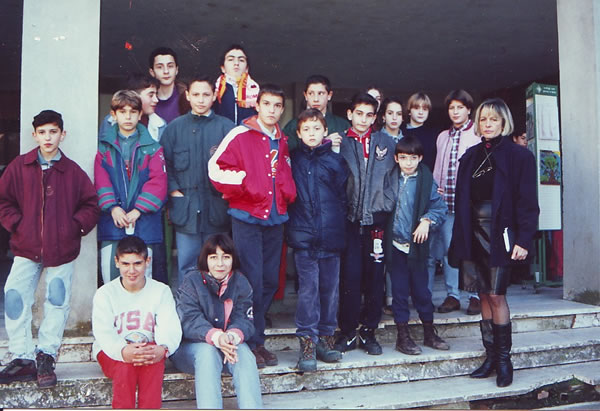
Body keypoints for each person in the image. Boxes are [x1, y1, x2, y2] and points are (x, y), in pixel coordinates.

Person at [0, 110, 99, 387]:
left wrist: (73, 227)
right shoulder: (19, 167)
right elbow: (3, 201)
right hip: (25, 246)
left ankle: (46, 355)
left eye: (53, 132)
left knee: (56, 301)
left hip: (61, 249)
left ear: (62, 135)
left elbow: (90, 205)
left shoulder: (72, 172)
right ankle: (22, 357)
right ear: (34, 135)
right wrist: (17, 224)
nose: (48, 137)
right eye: (42, 132)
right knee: (15, 297)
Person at [449, 98, 539, 387]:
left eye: (494, 120)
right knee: (483, 294)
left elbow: (528, 203)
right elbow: (461, 199)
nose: (488, 124)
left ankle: (504, 361)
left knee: (497, 295)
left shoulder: (520, 156)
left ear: (504, 123)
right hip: (472, 231)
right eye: (484, 119)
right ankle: (489, 357)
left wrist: (524, 238)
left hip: (501, 234)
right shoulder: (470, 155)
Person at [208, 84, 297, 368]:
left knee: (271, 280)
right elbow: (215, 168)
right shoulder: (240, 133)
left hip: (275, 219)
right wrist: (247, 183)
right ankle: (252, 342)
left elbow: (283, 174)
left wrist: (286, 193)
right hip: (247, 217)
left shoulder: (282, 140)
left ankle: (255, 336)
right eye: (266, 104)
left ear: (282, 110)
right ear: (257, 105)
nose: (271, 110)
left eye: (277, 105)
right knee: (251, 282)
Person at [287, 109, 348, 371]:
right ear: (299, 134)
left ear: (325, 132)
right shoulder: (293, 160)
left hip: (331, 237)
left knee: (330, 291)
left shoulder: (336, 162)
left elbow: (343, 197)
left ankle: (325, 338)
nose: (312, 134)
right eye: (306, 130)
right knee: (308, 292)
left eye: (316, 129)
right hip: (304, 239)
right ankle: (307, 343)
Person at [171, 234, 263, 409]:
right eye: (213, 257)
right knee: (208, 352)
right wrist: (216, 336)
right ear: (205, 259)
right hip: (191, 349)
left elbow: (245, 319)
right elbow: (189, 320)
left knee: (244, 354)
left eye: (226, 257)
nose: (220, 264)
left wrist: (231, 337)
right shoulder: (191, 281)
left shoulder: (241, 283)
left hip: (228, 347)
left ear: (233, 259)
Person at [160, 75, 235, 285]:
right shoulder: (174, 128)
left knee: (218, 265)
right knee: (186, 265)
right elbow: (164, 164)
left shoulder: (226, 128)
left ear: (213, 97)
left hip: (216, 210)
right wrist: (174, 191)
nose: (201, 100)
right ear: (187, 96)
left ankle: (217, 312)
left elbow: (237, 165)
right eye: (196, 95)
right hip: (186, 210)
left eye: (206, 95)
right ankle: (188, 312)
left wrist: (225, 192)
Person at [92, 235, 181, 409]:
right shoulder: (105, 293)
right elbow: (103, 333)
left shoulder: (161, 291)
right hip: (113, 351)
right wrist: (123, 350)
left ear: (147, 261)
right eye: (125, 264)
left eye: (137, 263)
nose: (131, 270)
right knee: (125, 368)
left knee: (153, 365)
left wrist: (162, 349)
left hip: (149, 350)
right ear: (116, 262)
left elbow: (170, 326)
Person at [334, 92, 393, 356]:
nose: (364, 119)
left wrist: (385, 203)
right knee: (350, 277)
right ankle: (347, 331)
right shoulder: (339, 142)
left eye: (369, 115)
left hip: (376, 220)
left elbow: (395, 176)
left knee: (374, 279)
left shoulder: (385, 142)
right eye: (359, 113)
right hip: (348, 220)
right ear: (349, 114)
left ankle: (369, 331)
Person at [382, 136, 449, 355]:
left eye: (413, 158)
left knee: (422, 292)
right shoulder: (390, 179)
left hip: (417, 248)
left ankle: (429, 332)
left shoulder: (426, 181)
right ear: (396, 158)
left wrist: (427, 220)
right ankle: (403, 337)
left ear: (420, 158)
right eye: (403, 158)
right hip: (395, 245)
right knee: (399, 293)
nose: (408, 163)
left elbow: (440, 208)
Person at [95, 90, 167, 285]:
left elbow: (158, 182)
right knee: (111, 275)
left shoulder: (153, 147)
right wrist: (113, 207)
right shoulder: (103, 147)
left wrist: (138, 210)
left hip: (144, 221)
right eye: (122, 111)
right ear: (113, 114)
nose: (128, 117)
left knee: (144, 277)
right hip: (113, 221)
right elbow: (101, 180)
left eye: (133, 111)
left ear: (140, 114)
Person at [431, 90, 481, 315]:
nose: (455, 112)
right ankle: (452, 295)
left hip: (469, 205)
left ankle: (475, 295)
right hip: (446, 204)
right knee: (449, 250)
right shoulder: (443, 136)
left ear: (468, 109)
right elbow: (437, 169)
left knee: (471, 249)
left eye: (460, 107)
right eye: (452, 108)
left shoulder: (478, 134)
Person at [373, 96, 405, 315]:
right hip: (380, 204)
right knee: (379, 253)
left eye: (399, 114)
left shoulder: (407, 140)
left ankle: (395, 298)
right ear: (383, 116)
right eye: (390, 113)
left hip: (402, 204)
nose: (394, 118)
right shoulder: (376, 139)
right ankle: (380, 297)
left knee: (397, 253)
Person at [283, 74, 349, 153]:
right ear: (305, 95)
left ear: (329, 95)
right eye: (311, 93)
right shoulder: (293, 125)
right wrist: (324, 143)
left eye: (320, 93)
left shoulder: (342, 124)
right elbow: (289, 155)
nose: (316, 99)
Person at [99, 73, 167, 143]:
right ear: (134, 96)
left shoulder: (160, 125)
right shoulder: (109, 121)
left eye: (156, 95)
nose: (156, 100)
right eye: (151, 95)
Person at [214, 44, 259, 125]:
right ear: (222, 68)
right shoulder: (215, 90)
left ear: (247, 69)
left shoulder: (256, 92)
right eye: (231, 59)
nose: (236, 63)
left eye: (241, 60)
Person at [148, 47, 187, 124]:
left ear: (176, 70)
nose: (166, 71)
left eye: (170, 66)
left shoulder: (187, 98)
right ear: (152, 72)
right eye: (160, 67)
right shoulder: (146, 100)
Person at [400, 92, 438, 171]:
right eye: (416, 108)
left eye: (425, 109)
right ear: (409, 111)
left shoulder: (433, 134)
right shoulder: (400, 131)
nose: (421, 112)